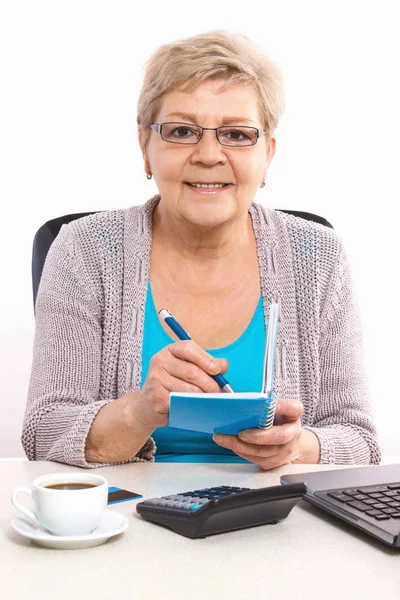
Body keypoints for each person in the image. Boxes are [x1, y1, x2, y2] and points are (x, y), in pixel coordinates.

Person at [22, 30, 381, 469]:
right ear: (145, 148)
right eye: (181, 131)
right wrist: (138, 411)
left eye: (236, 134)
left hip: (278, 524)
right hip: (125, 523)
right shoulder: (84, 250)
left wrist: (298, 447)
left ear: (267, 153)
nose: (209, 154)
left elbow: (360, 441)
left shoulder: (317, 256)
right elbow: (43, 432)